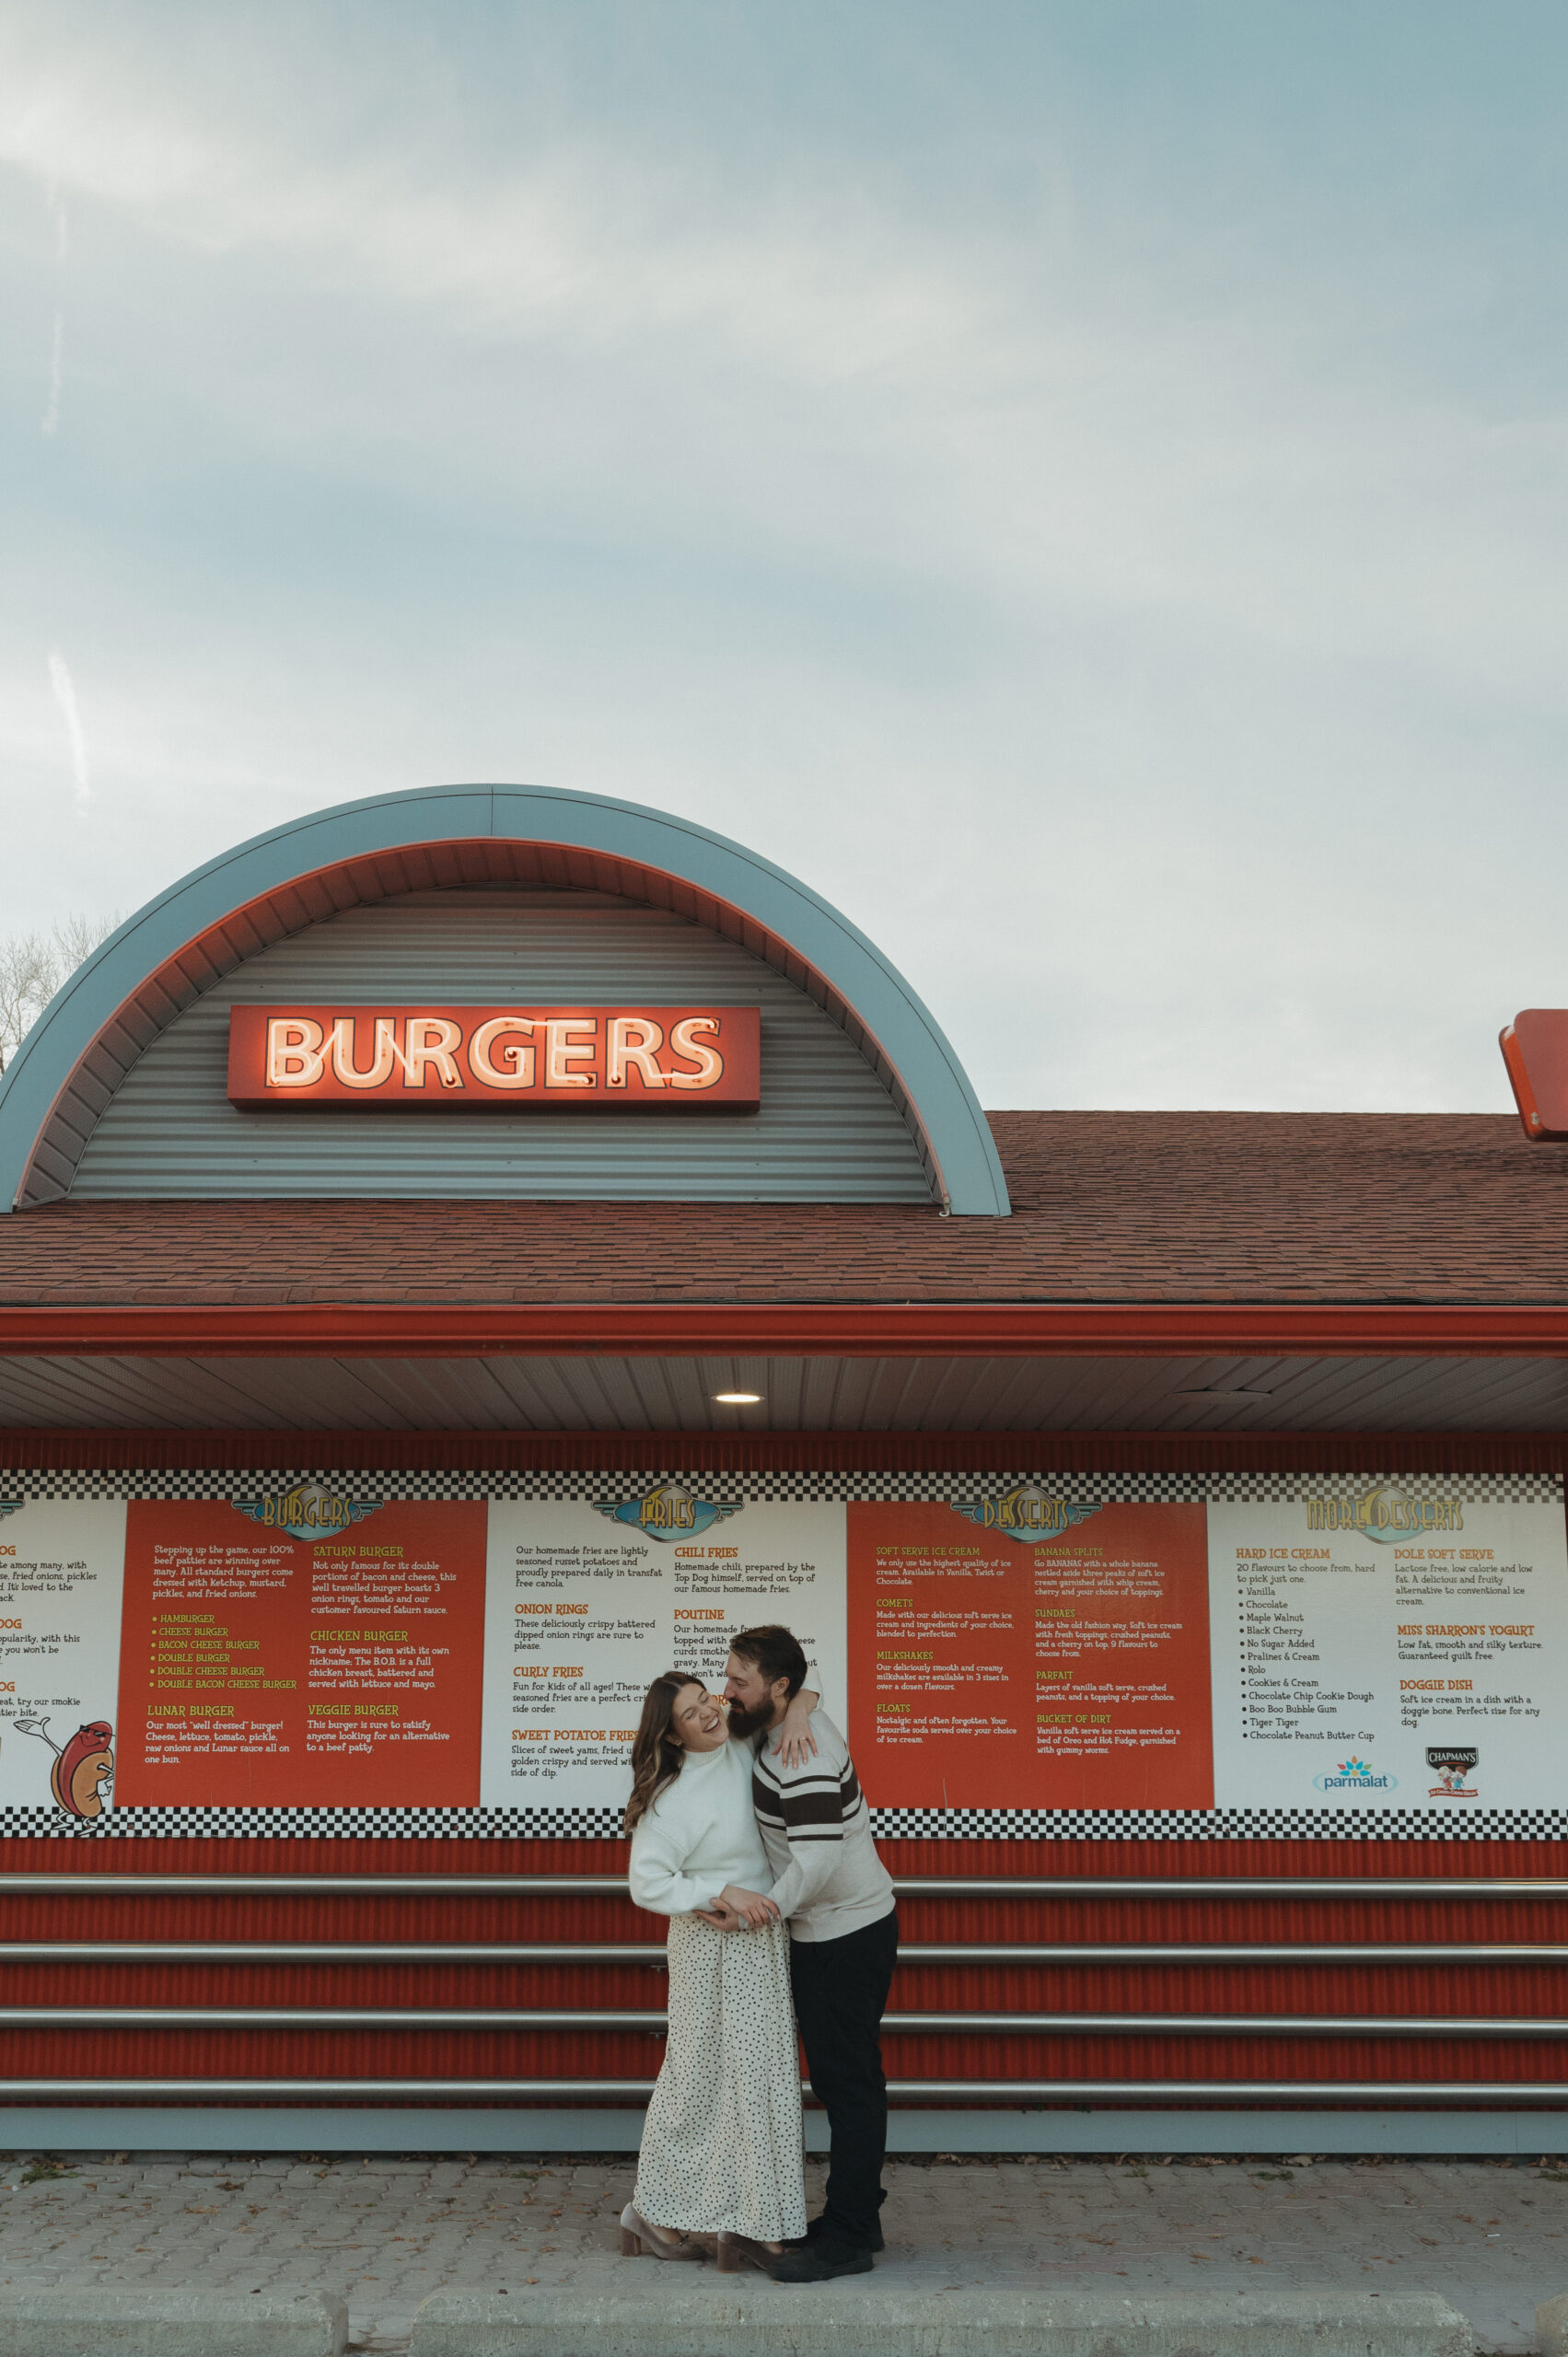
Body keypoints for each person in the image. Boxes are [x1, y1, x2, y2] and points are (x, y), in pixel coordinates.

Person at [619, 1666, 821, 2274]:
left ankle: (754, 2222)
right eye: (690, 1712)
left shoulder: (743, 1735)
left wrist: (803, 1711)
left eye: (705, 1696)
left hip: (758, 1938)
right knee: (696, 2083)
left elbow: (803, 1687)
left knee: (762, 2082)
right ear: (674, 1736)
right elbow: (645, 1882)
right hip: (708, 1942)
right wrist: (719, 1893)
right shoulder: (672, 1797)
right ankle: (654, 2212)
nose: (709, 1710)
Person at [717, 1624, 898, 2282]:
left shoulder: (803, 1754)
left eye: (739, 1680)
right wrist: (801, 1702)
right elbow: (807, 1690)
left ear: (777, 1686)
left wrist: (760, 1913)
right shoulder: (782, 1723)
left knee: (848, 2087)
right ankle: (859, 2215)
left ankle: (848, 2239)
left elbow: (817, 1859)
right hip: (830, 1931)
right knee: (844, 2081)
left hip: (844, 1935)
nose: (727, 1690)